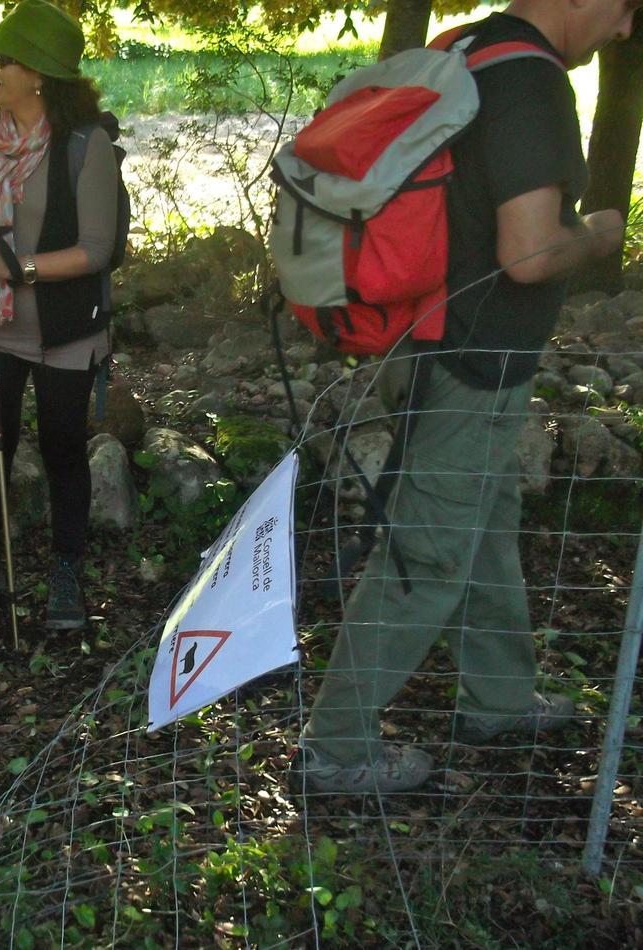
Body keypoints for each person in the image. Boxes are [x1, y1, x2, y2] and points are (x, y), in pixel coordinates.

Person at [293, 0, 635, 795]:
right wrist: (599, 234)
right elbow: (529, 251)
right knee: (431, 548)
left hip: (425, 337)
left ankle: (500, 698)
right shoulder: (531, 81)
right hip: (473, 357)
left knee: (482, 523)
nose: (624, 31)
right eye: (623, 11)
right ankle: (336, 749)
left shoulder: (469, 49)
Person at [0, 0, 118, 632]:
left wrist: (18, 265)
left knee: (63, 447)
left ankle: (65, 568)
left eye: (5, 58)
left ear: (39, 74)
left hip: (65, 329)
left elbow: (100, 250)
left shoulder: (86, 144)